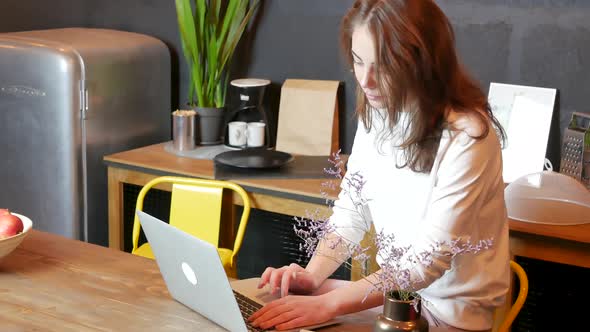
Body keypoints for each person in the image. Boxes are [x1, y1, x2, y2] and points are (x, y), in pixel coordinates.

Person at [249, 0, 510, 331]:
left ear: (423, 63)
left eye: (383, 66)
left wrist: (327, 304)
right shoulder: (380, 113)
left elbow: (423, 265)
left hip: (448, 318)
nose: (367, 80)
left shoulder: (468, 137)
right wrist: (312, 276)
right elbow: (351, 213)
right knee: (271, 302)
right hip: (397, 302)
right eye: (358, 62)